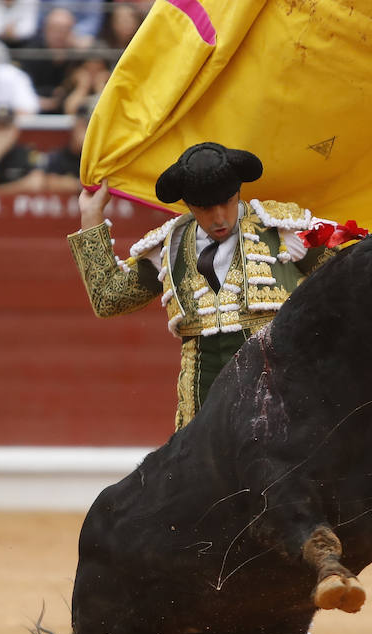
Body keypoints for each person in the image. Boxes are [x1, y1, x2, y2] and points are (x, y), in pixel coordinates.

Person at [68, 142, 334, 429]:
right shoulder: (170, 245)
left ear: (239, 193)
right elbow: (110, 298)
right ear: (189, 205)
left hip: (279, 399)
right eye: (206, 208)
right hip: (201, 409)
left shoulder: (282, 228)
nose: (219, 217)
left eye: (227, 202)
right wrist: (91, 215)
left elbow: (348, 280)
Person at [42, 98, 93, 190]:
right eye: (86, 126)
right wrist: (79, 185)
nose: (88, 134)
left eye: (92, 128)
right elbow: (47, 181)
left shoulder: (101, 160)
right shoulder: (57, 157)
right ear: (75, 126)